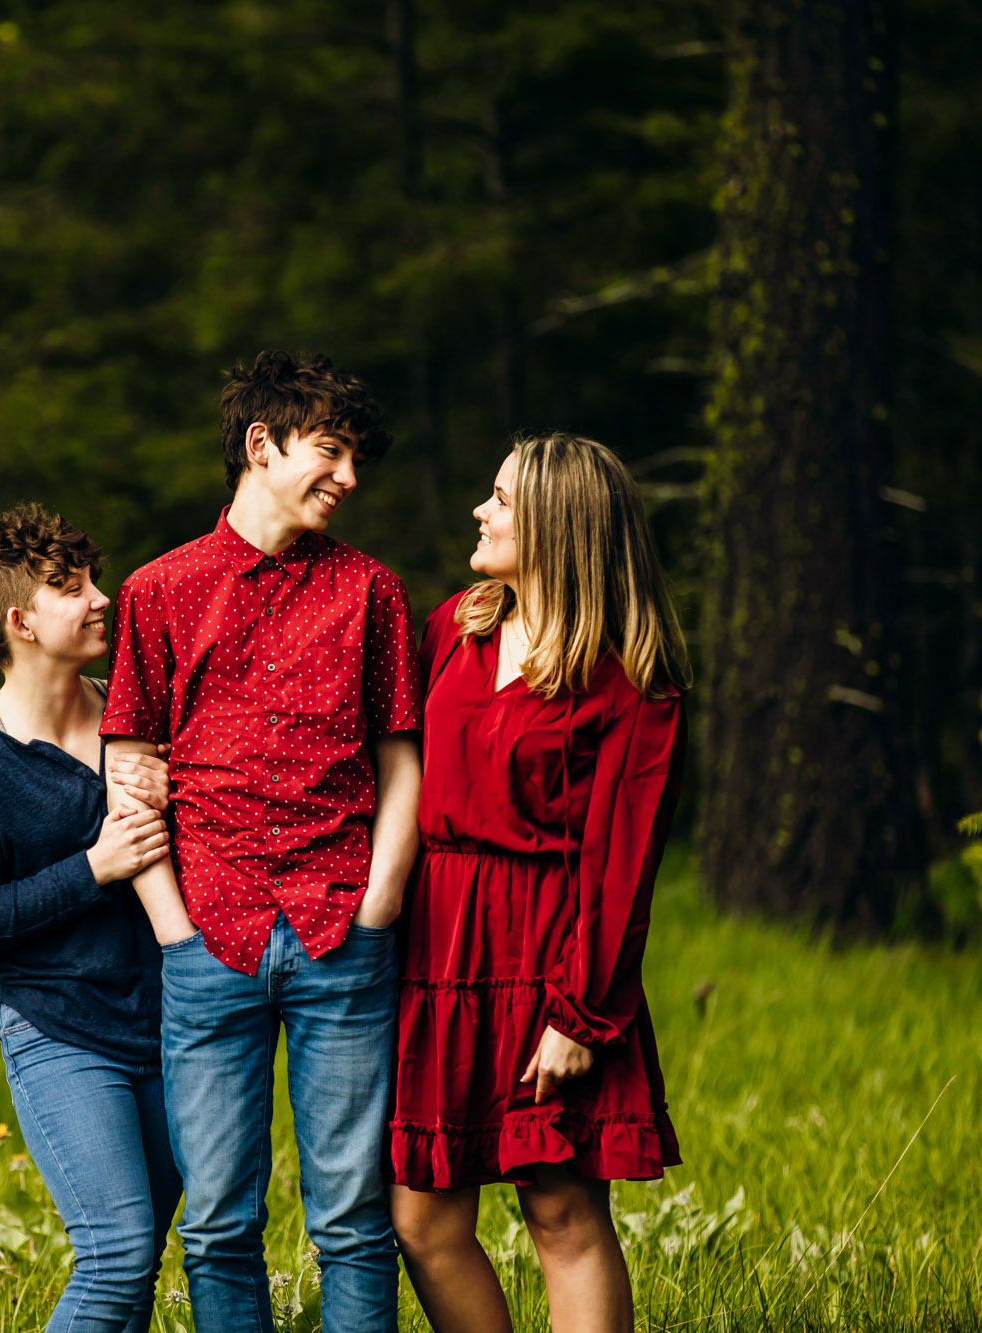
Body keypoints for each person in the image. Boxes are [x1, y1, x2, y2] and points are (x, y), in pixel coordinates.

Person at [100, 350, 423, 1333]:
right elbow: (128, 759)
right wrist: (170, 931)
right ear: (260, 445)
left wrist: (376, 909)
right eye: (330, 450)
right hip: (208, 944)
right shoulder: (158, 591)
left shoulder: (371, 592)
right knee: (217, 1226)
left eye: (356, 457)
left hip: (341, 935)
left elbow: (400, 765)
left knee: (355, 1222)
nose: (349, 477)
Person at [389, 433, 691, 1333]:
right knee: (422, 1216)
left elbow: (624, 862)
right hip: (438, 948)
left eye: (502, 500)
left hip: (547, 955)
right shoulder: (456, 625)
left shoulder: (630, 675)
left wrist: (581, 1011)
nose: (480, 512)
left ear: (561, 527)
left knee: (559, 1210)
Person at [0, 504, 183, 1333]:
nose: (102, 598)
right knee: (114, 1254)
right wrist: (93, 868)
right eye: (72, 588)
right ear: (21, 621)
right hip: (61, 1030)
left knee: (144, 1263)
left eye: (94, 578)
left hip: (175, 1023)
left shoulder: (139, 718)